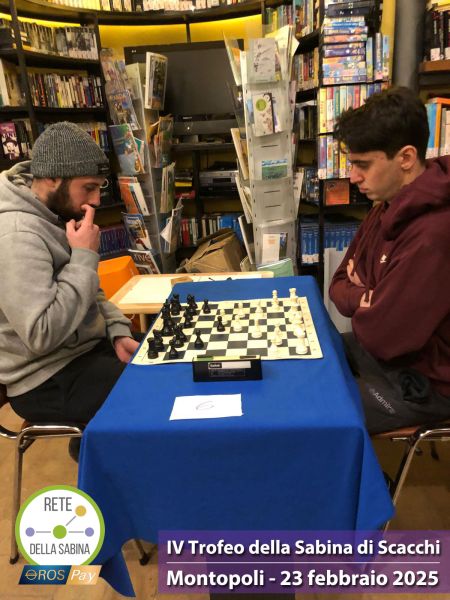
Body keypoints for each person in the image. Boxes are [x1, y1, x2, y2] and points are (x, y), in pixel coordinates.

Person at [0, 122, 140, 456]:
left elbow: (88, 289)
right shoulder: (17, 235)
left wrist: (117, 330)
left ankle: (94, 443)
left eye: (99, 189)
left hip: (84, 352)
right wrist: (84, 257)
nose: (95, 201)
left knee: (171, 363)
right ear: (52, 178)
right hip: (44, 377)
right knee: (154, 396)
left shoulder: (53, 212)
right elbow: (42, 334)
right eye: (88, 188)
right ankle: (96, 460)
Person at [329, 86, 450, 434]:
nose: (353, 177)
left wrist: (368, 298)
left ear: (406, 158)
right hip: (385, 356)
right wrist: (370, 298)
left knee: (314, 414)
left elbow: (383, 335)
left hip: (427, 381)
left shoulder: (432, 235)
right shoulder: (386, 204)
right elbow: (339, 283)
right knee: (311, 356)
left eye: (363, 165)